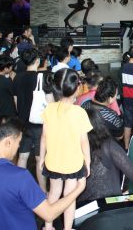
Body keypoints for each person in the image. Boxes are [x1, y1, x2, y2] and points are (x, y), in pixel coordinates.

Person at [0, 117, 86, 230]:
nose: (18, 148)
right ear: (8, 142)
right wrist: (78, 188)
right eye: (18, 143)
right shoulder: (19, 177)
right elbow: (49, 214)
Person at [40, 69, 92, 230]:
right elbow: (84, 142)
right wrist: (88, 162)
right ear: (77, 88)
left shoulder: (49, 109)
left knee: (53, 192)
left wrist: (41, 158)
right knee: (69, 197)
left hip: (53, 160)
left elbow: (44, 137)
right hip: (73, 163)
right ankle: (67, 228)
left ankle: (48, 225)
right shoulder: (80, 112)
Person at [14, 49, 49, 191]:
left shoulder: (17, 77)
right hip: (38, 123)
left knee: (22, 156)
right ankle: (42, 191)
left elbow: (15, 100)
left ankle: (19, 189)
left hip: (22, 122)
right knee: (39, 158)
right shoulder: (40, 78)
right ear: (37, 61)